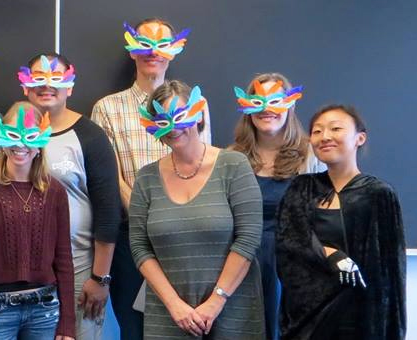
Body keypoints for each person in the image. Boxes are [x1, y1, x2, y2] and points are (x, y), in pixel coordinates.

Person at [90, 18, 210, 338]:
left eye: (162, 45)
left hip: (187, 232)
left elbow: (204, 162)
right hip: (133, 235)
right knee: (135, 328)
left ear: (175, 50)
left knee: (187, 324)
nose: (153, 52)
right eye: (144, 44)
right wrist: (148, 216)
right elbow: (110, 177)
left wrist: (177, 216)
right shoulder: (107, 108)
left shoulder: (195, 105)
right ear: (131, 51)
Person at [129, 81, 263, 338]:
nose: (173, 126)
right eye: (162, 119)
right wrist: (174, 305)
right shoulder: (146, 178)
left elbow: (248, 238)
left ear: (199, 113)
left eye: (180, 116)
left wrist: (216, 301)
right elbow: (139, 246)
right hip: (169, 314)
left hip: (232, 310)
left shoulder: (233, 165)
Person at [277, 105, 405, 339]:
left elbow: (389, 271)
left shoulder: (378, 193)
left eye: (335, 128)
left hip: (360, 319)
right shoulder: (301, 187)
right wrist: (331, 254)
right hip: (308, 318)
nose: (325, 137)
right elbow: (289, 244)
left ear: (360, 138)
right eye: (317, 131)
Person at [20, 53, 121, 339]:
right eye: (38, 77)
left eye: (56, 78)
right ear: (25, 85)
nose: (46, 85)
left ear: (70, 87)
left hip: (79, 269)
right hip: (25, 274)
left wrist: (100, 277)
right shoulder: (11, 136)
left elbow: (108, 210)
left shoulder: (89, 136)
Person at [0, 104, 75, 340]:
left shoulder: (55, 192)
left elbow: (64, 259)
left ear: (41, 141)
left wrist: (68, 324)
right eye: (13, 134)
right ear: (1, 138)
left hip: (44, 309)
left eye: (30, 135)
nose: (20, 144)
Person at [227, 73, 324, 339]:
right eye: (258, 100)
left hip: (294, 264)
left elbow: (325, 215)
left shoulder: (312, 155)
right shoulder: (230, 158)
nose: (267, 109)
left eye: (276, 101)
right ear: (246, 106)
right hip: (242, 262)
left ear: (290, 105)